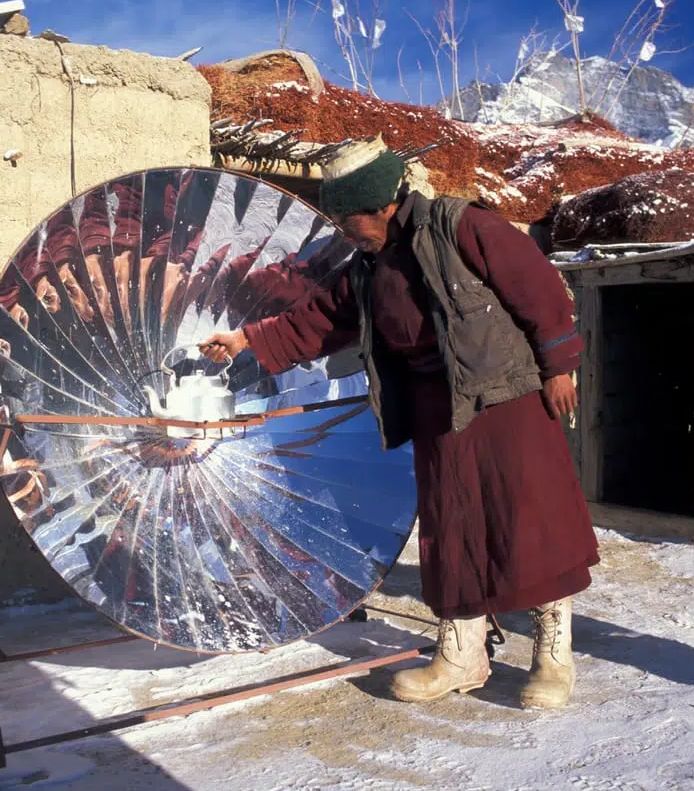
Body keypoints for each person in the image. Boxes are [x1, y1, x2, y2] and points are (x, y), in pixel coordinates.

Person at [199, 134, 599, 710]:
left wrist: (561, 365)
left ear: (381, 206)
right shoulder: (367, 265)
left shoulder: (462, 226)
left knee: (529, 519)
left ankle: (552, 656)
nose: (341, 229)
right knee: (453, 525)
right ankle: (463, 653)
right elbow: (320, 318)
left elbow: (536, 287)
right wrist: (245, 340)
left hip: (505, 397)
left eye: (346, 217)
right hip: (437, 404)